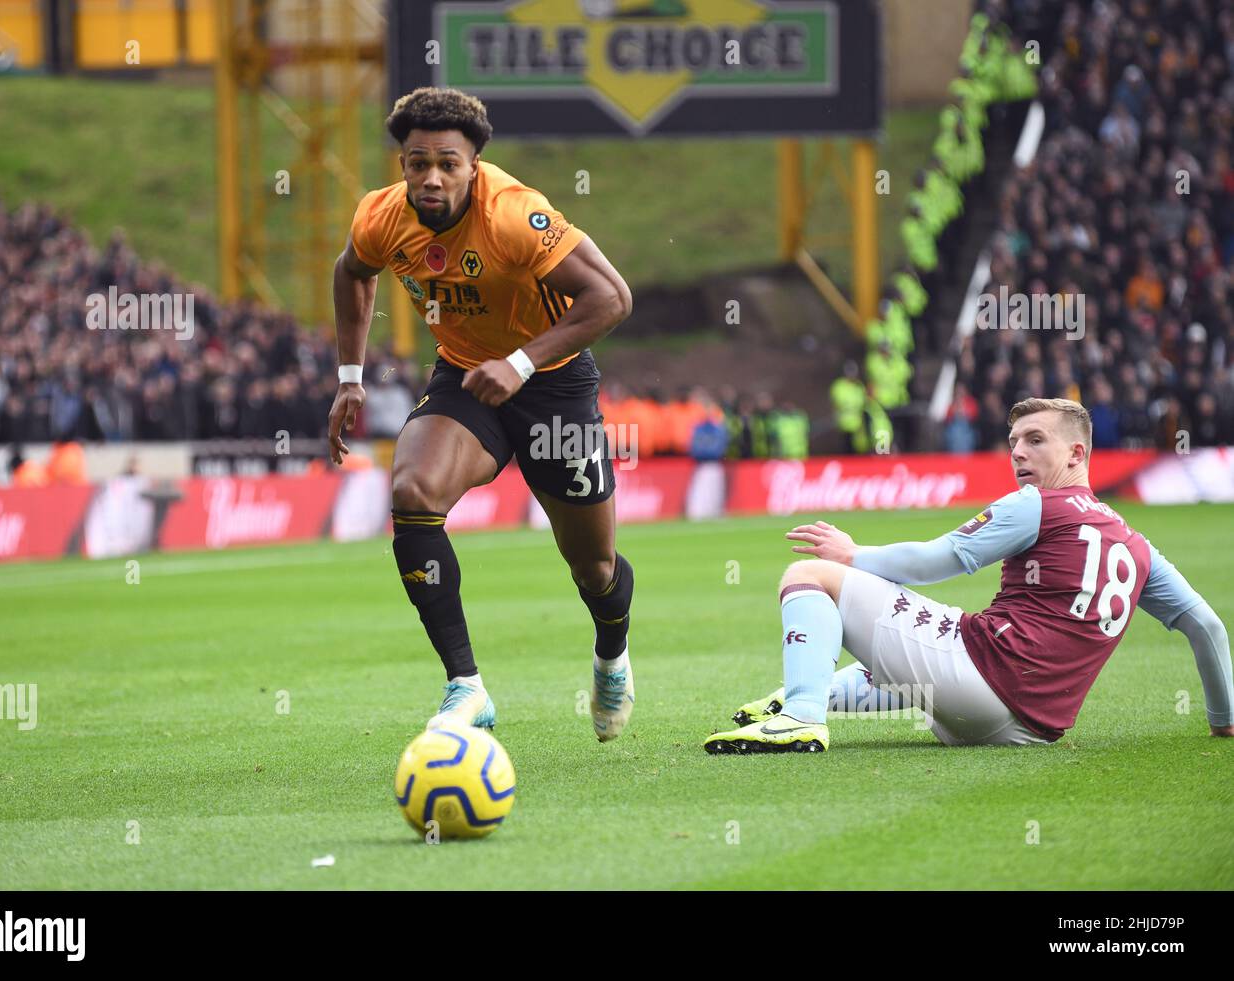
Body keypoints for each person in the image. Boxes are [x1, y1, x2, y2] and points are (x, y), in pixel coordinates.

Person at [327, 87, 636, 740]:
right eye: (416, 163)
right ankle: (465, 685)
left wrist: (521, 362)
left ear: (475, 166)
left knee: (594, 567)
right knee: (412, 490)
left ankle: (611, 652)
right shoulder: (381, 215)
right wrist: (349, 377)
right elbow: (352, 272)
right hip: (467, 379)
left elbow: (611, 298)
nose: (430, 177)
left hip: (553, 386)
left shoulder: (516, 217)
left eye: (447, 162)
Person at [704, 397, 1232, 753]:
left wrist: (852, 553)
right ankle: (797, 695)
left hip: (980, 684)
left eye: (1035, 440)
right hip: (1029, 731)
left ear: (1077, 452)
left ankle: (800, 714)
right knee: (922, 639)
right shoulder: (1138, 548)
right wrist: (1222, 719)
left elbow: (939, 561)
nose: (1018, 452)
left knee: (810, 573)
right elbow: (1206, 627)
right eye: (1014, 442)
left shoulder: (1038, 504)